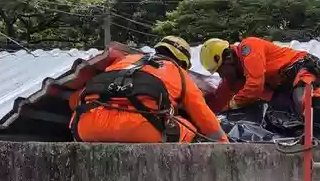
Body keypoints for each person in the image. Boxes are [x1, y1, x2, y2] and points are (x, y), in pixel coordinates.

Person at [199, 37, 320, 145]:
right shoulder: (232, 79)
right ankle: (311, 141)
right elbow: (217, 103)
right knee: (278, 117)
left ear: (228, 57)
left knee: (304, 102)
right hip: (284, 88)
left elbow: (254, 86)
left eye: (221, 70)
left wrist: (233, 102)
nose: (221, 75)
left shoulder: (248, 48)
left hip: (301, 69)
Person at [70, 36, 228, 143]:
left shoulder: (123, 60)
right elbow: (204, 117)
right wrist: (225, 144)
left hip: (88, 126)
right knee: (189, 128)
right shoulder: (178, 71)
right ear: (183, 62)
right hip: (139, 127)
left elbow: (75, 99)